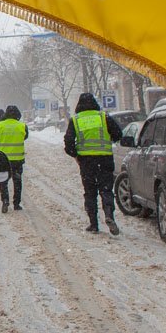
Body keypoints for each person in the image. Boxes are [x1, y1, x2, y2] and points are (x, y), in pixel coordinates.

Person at [63, 92, 124, 235]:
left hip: (86, 162)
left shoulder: (76, 120)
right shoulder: (104, 117)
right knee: (106, 189)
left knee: (90, 192)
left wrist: (76, 154)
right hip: (105, 159)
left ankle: (93, 224)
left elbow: (68, 143)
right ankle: (109, 215)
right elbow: (118, 134)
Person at [0, 105, 28, 213]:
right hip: (18, 159)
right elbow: (25, 137)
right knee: (17, 181)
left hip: (3, 159)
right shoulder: (22, 126)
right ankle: (16, 203)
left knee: (3, 181)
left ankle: (5, 201)